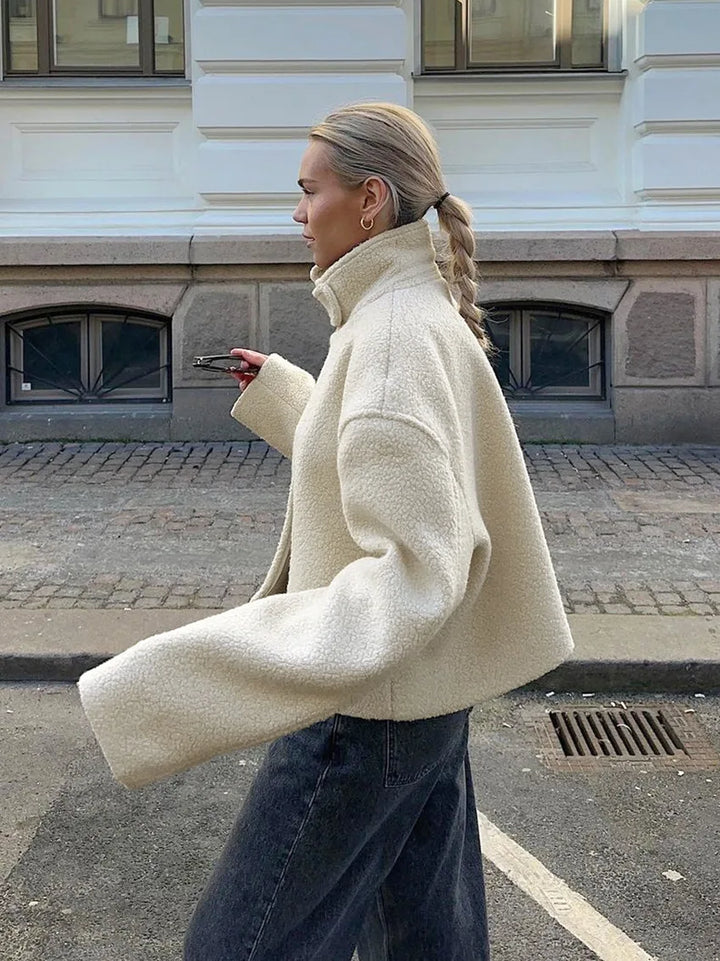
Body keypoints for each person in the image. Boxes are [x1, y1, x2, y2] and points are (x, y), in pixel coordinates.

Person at [78, 102, 573, 961]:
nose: (298, 213)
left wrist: (193, 663)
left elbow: (415, 571)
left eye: (311, 191)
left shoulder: (387, 341)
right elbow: (401, 462)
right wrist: (287, 396)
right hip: (423, 698)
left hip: (363, 716)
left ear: (370, 201)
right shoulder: (410, 312)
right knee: (427, 943)